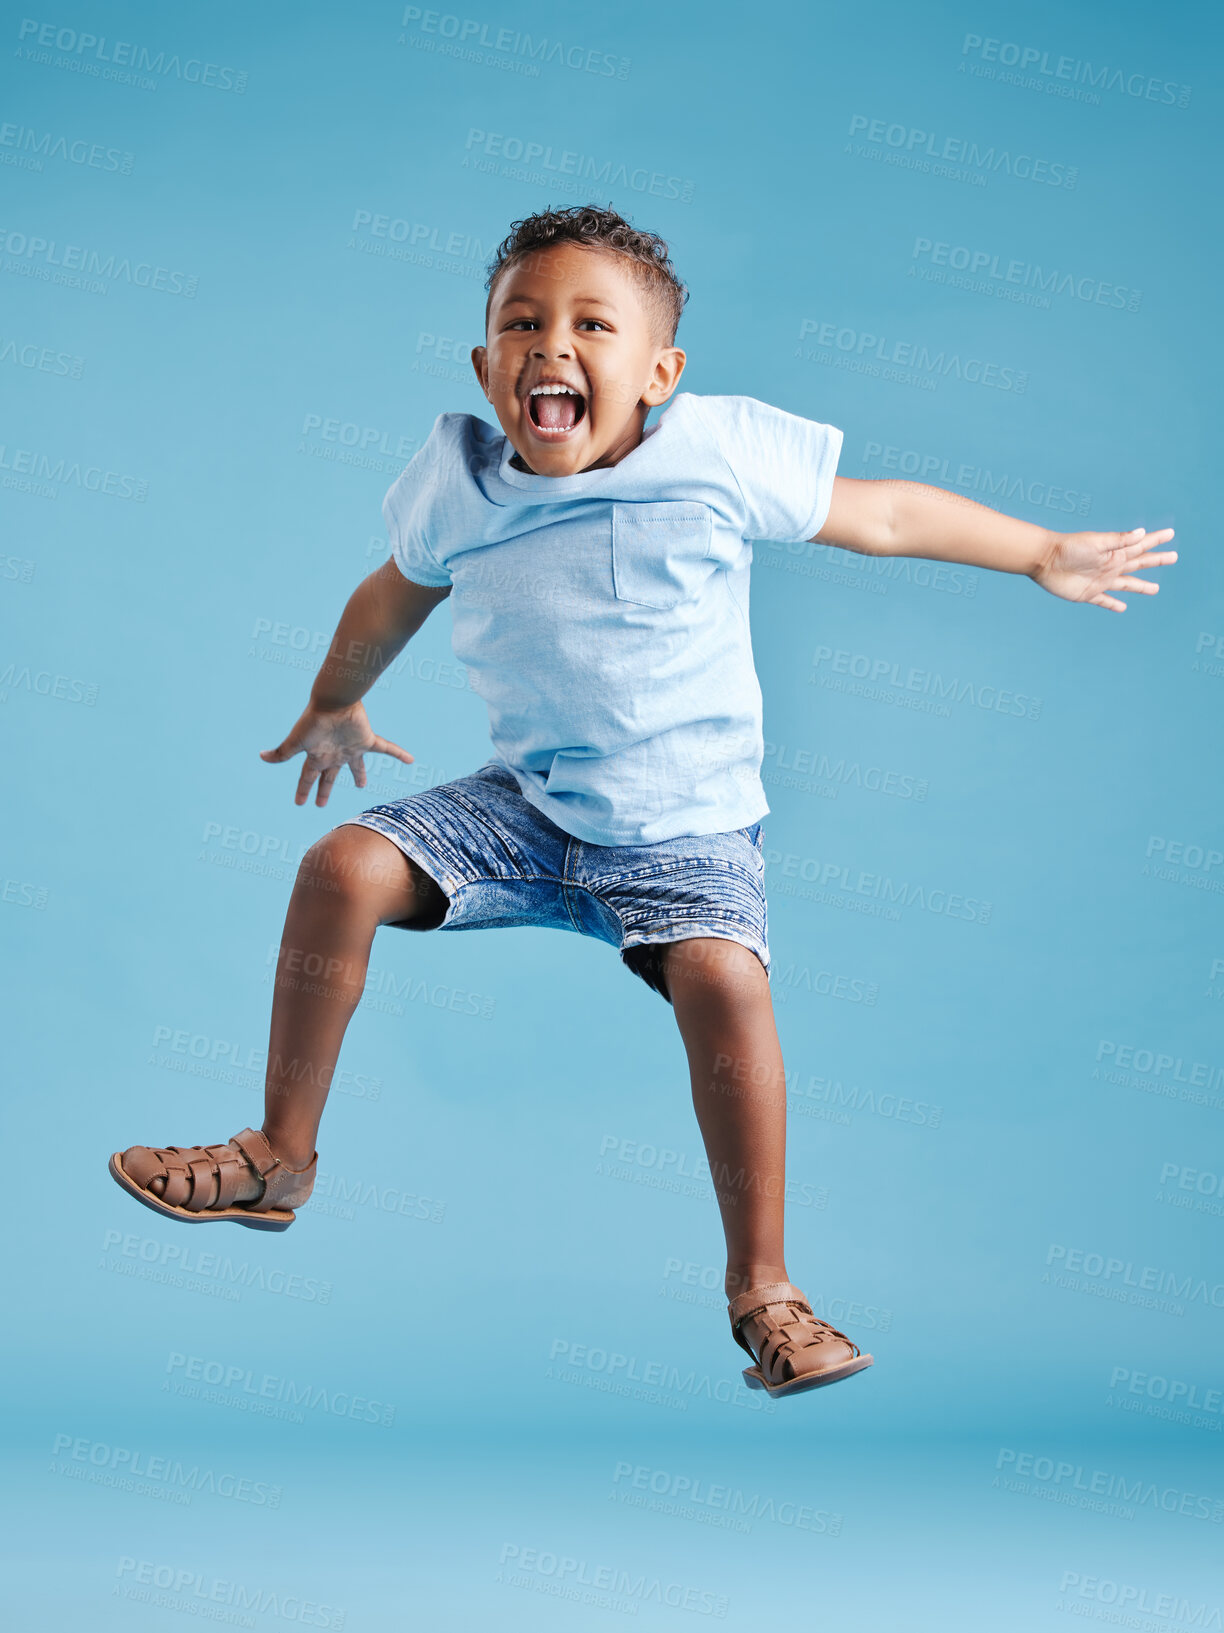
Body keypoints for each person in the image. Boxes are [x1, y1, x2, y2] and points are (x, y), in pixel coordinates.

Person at [108, 204, 1176, 1399]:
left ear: (659, 373)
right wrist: (335, 702)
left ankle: (765, 1290)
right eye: (523, 322)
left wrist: (1038, 551)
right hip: (529, 811)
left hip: (686, 833)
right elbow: (388, 596)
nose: (550, 346)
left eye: (590, 326)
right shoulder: (459, 481)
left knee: (725, 978)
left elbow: (883, 512)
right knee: (338, 869)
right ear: (484, 365)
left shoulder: (715, 457)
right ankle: (279, 1158)